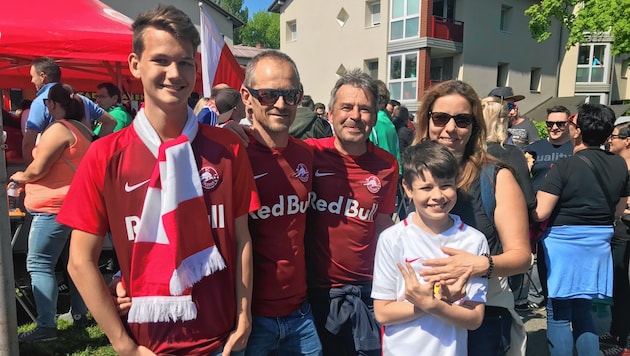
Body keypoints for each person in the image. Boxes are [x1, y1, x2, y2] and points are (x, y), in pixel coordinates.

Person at [57, 5, 259, 355]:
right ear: (135, 64)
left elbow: (241, 238)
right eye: (161, 60)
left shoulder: (228, 149)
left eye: (185, 63)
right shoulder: (105, 155)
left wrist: (244, 317)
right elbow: (79, 260)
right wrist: (123, 345)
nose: (174, 73)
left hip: (223, 343)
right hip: (147, 345)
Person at [413, 80, 531, 356]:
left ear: (474, 126)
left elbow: (522, 257)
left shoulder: (496, 177)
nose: (450, 128)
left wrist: (477, 265)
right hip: (425, 313)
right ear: (427, 121)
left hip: (483, 313)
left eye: (462, 119)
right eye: (441, 118)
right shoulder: (413, 172)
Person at [305, 69, 399, 356]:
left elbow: (384, 227)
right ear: (330, 113)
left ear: (374, 115)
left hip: (365, 291)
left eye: (364, 109)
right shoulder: (308, 153)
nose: (354, 115)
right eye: (346, 107)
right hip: (313, 291)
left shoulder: (387, 165)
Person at [239, 49, 322, 356]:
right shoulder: (231, 153)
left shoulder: (308, 154)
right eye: (268, 94)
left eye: (290, 94)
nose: (281, 104)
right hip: (251, 317)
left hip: (300, 314)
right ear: (246, 97)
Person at [372, 140, 488, 356]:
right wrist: (435, 303)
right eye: (426, 187)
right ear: (407, 188)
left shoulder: (474, 240)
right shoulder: (392, 239)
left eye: (446, 185)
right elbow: (383, 312)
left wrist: (433, 304)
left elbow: (474, 319)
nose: (437, 196)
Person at [532, 104, 629, 356]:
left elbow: (540, 212)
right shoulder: (620, 165)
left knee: (559, 314)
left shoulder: (565, 166)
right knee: (584, 311)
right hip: (598, 243)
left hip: (563, 245)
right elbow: (618, 211)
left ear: (577, 131)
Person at [10, 83, 93, 342]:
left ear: (51, 104)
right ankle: (79, 315)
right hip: (75, 205)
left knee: (39, 263)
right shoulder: (82, 128)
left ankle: (46, 326)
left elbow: (38, 169)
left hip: (53, 208)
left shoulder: (58, 130)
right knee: (75, 265)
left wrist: (18, 176)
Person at [522, 105, 574, 311]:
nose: (554, 127)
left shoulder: (574, 148)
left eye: (560, 124)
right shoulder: (536, 148)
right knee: (538, 256)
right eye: (550, 123)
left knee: (560, 258)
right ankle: (539, 295)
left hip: (565, 210)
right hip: (538, 210)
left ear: (568, 125)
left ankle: (561, 297)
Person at [23, 57, 116, 164]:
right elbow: (110, 121)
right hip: (84, 163)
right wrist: (94, 145)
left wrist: (30, 171)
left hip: (56, 167)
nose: (32, 80)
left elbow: (28, 143)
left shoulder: (41, 101)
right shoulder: (80, 98)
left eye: (32, 76)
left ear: (43, 76)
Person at [602, 117, 630, 356]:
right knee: (618, 284)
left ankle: (626, 342)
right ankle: (616, 332)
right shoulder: (613, 165)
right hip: (618, 229)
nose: (610, 140)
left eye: (615, 137)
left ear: (627, 141)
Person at [368, 81, 401, 165]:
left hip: (378, 172)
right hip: (393, 170)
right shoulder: (389, 123)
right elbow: (397, 151)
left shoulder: (372, 122)